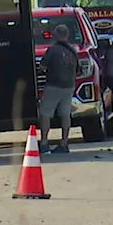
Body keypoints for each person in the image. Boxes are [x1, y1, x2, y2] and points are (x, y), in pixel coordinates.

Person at [38, 24, 78, 154]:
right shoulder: (73, 51)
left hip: (54, 85)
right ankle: (64, 143)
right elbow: (78, 70)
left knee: (45, 113)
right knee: (65, 114)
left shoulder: (52, 50)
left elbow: (42, 67)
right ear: (67, 35)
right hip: (69, 86)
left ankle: (44, 142)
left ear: (56, 34)